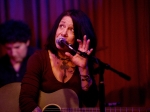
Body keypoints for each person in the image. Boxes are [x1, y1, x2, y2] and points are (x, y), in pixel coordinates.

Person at [19, 9, 99, 112]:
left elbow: (91, 103)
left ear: (79, 36)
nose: (63, 33)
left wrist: (83, 69)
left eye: (72, 30)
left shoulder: (83, 62)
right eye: (62, 26)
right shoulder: (39, 58)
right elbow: (26, 100)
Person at [0, 20, 36, 88]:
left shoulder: (40, 59)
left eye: (17, 47)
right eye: (8, 48)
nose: (13, 53)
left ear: (27, 42)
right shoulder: (2, 64)